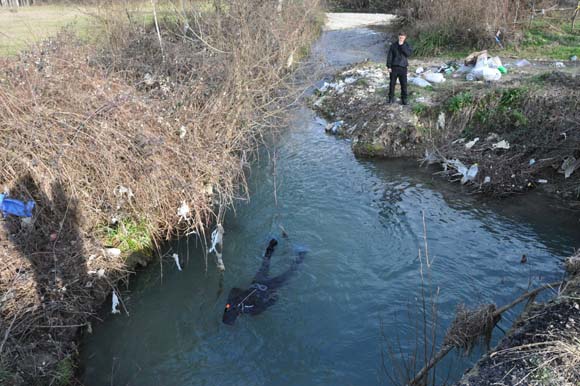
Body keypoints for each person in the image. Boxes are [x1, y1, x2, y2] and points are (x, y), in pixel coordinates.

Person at [386, 32, 413, 105]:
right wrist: (389, 66)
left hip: (403, 67)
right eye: (400, 36)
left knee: (404, 84)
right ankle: (391, 98)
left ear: (405, 37)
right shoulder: (393, 45)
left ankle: (404, 99)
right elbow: (389, 56)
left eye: (403, 36)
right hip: (394, 67)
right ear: (398, 36)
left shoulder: (407, 45)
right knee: (392, 84)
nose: (401, 38)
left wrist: (402, 46)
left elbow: (408, 54)